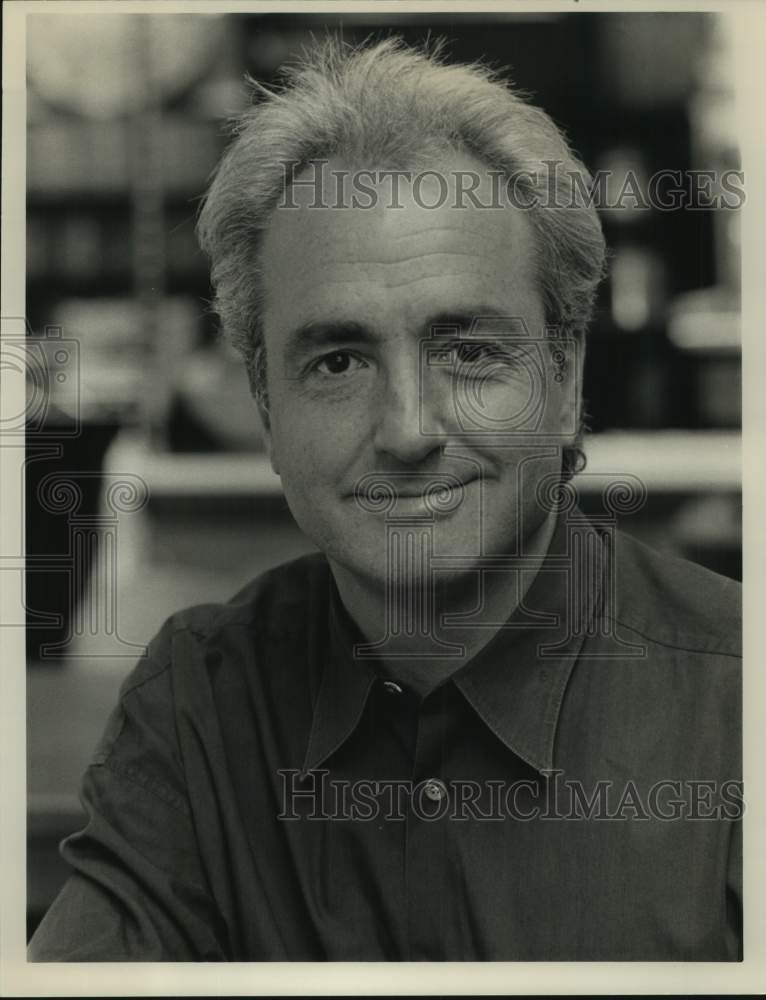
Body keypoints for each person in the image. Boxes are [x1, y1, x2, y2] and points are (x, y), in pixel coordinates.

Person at [29, 36, 742, 962]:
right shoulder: (201, 703)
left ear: (565, 383)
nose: (408, 430)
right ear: (266, 410)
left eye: (470, 351)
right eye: (338, 360)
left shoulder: (735, 707)